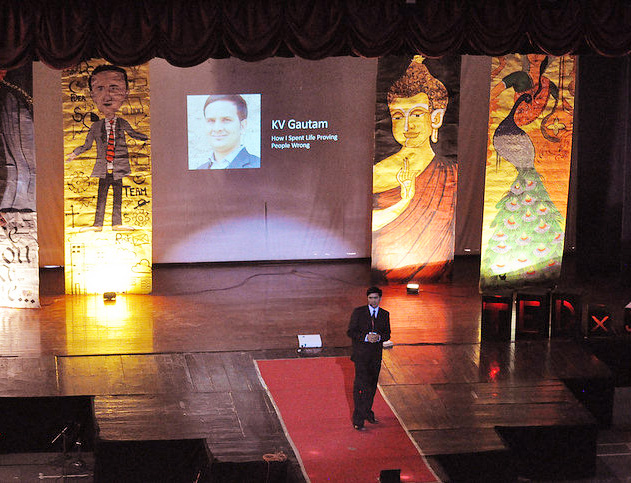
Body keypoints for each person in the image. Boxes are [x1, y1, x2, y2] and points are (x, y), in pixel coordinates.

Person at [372, 56, 457, 282]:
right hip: (388, 268)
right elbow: (373, 222)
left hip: (436, 268)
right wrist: (404, 201)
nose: (408, 126)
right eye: (398, 116)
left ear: (436, 118)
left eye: (417, 114)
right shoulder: (380, 172)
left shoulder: (451, 173)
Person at [66, 64, 148, 231]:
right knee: (101, 197)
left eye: (114, 88)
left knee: (118, 197)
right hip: (104, 169)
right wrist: (74, 154)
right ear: (92, 95)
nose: (107, 95)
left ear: (126, 93)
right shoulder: (96, 126)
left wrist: (147, 138)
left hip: (118, 169)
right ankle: (98, 224)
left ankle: (116, 223)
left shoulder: (123, 123)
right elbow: (87, 145)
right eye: (100, 88)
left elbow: (133, 133)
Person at [347, 286, 391, 431]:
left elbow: (387, 333)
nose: (373, 300)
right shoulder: (359, 312)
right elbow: (351, 332)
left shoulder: (385, 314)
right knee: (360, 386)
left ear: (380, 298)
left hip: (375, 357)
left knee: (371, 387)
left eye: (376, 298)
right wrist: (366, 337)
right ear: (367, 299)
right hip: (361, 356)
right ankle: (358, 419)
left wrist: (379, 337)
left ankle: (367, 412)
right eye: (370, 298)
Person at [195, 94, 260, 169]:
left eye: (226, 120)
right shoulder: (200, 169)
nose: (217, 128)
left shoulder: (258, 165)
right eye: (211, 121)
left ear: (242, 126)